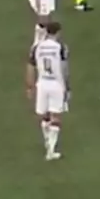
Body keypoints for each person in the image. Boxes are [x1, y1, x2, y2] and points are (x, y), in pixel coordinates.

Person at [26, 21, 69, 161]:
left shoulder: (37, 47)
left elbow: (30, 67)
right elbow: (64, 68)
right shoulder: (60, 47)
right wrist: (67, 86)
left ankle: (47, 141)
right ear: (58, 32)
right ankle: (51, 149)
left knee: (44, 115)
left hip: (42, 83)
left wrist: (30, 86)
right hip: (56, 83)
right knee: (56, 116)